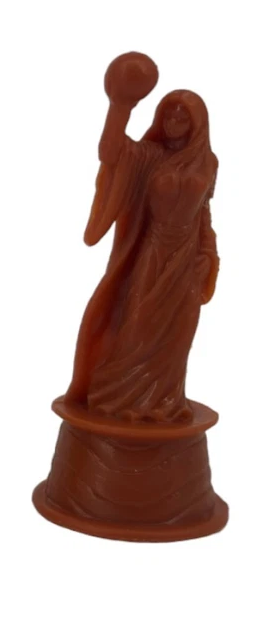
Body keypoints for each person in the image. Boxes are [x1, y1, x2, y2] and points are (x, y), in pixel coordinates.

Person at [67, 90, 219, 422]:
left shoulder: (208, 163)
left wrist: (209, 256)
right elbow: (110, 151)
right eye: (169, 115)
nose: (174, 122)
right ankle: (115, 399)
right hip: (152, 253)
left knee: (176, 339)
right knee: (135, 328)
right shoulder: (150, 156)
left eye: (183, 117)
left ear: (198, 124)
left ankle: (164, 403)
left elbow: (204, 216)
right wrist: (120, 104)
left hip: (187, 261)